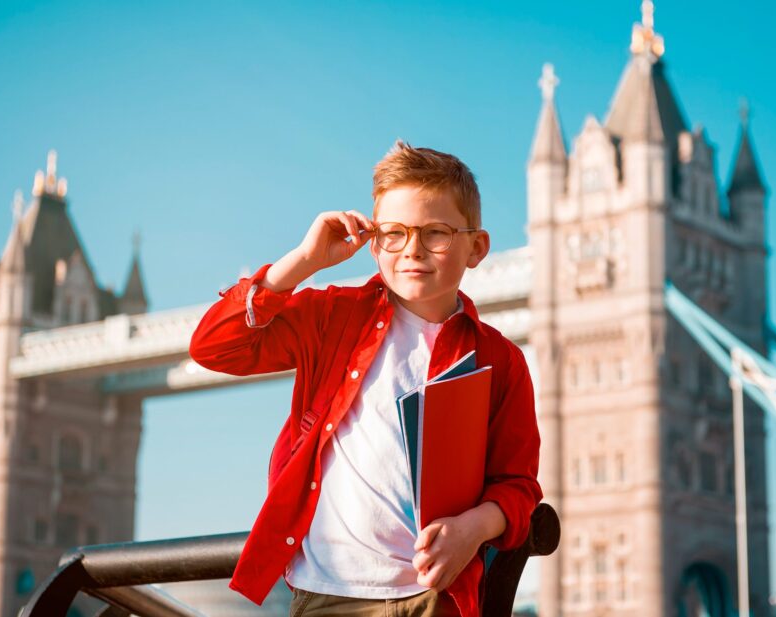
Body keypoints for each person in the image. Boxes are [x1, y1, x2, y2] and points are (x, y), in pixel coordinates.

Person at [188, 140, 542, 617]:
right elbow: (214, 346)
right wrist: (305, 261)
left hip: (440, 595)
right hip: (329, 592)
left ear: (476, 247)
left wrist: (474, 529)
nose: (413, 249)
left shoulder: (500, 360)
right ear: (374, 245)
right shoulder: (330, 316)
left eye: (435, 232)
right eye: (394, 233)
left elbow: (517, 486)